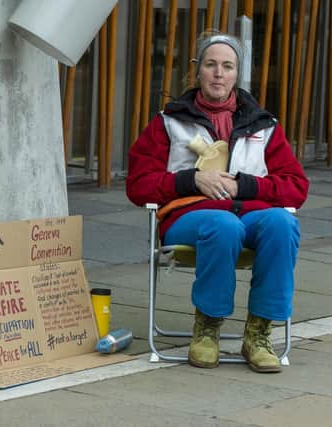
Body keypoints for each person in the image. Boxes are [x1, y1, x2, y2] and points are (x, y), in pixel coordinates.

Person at [126, 32, 309, 373]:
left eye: (227, 66)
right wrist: (190, 180)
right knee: (222, 225)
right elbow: (138, 185)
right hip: (190, 215)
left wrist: (245, 186)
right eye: (211, 65)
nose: (218, 73)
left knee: (283, 224)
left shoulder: (264, 125)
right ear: (198, 70)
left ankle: (259, 334)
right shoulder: (169, 121)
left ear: (237, 73)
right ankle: (207, 328)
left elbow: (296, 187)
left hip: (251, 212)